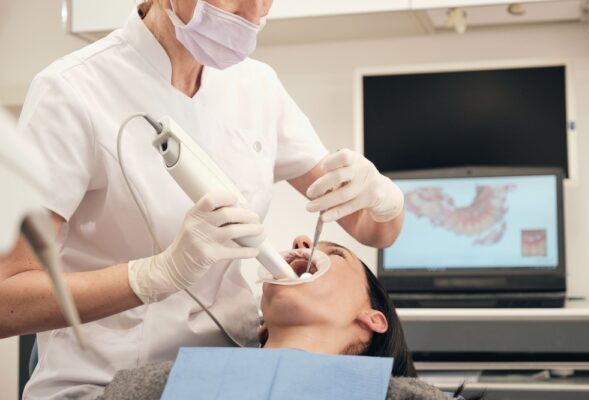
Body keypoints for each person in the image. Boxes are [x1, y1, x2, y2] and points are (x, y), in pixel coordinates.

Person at [0, 1, 406, 398]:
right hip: (104, 381)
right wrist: (153, 275)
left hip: (233, 374)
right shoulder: (73, 90)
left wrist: (386, 200)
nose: (254, 16)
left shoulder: (256, 86)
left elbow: (371, 227)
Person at [97, 237, 481, 400]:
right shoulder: (151, 388)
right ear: (262, 326)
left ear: (373, 319)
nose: (300, 242)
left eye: (337, 252)